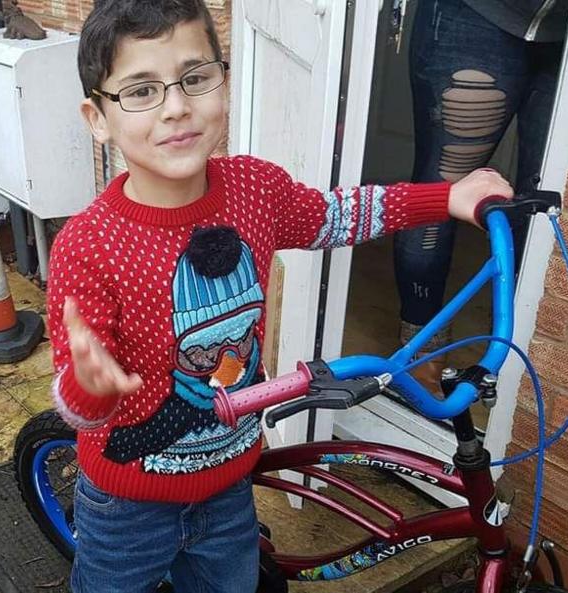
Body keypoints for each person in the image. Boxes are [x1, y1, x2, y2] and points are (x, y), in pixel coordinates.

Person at [46, 1, 512, 591]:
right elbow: (79, 394)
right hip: (126, 507)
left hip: (231, 486)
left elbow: (336, 216)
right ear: (97, 117)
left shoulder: (254, 190)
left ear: (223, 77)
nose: (177, 107)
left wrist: (444, 198)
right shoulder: (88, 246)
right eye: (140, 91)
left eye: (195, 77)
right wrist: (88, 390)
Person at [393, 0, 568, 390]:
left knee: (542, 202)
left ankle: (511, 345)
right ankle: (420, 347)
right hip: (476, 14)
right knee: (440, 195)